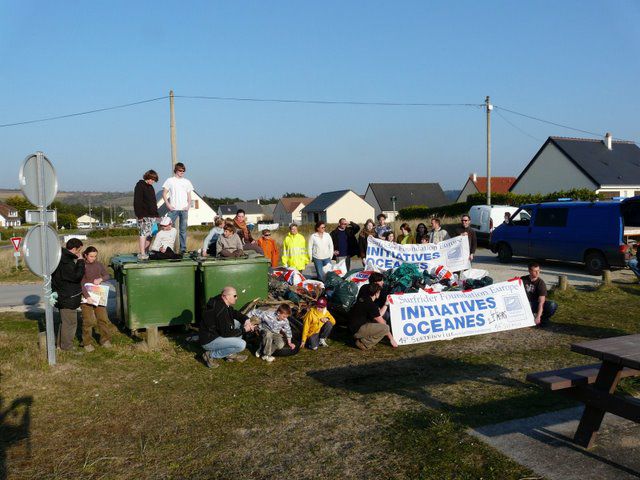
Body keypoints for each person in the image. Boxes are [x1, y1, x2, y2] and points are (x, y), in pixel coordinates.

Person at [199, 286, 255, 368]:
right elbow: (226, 334)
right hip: (209, 340)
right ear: (226, 296)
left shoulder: (221, 302)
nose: (237, 298)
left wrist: (246, 320)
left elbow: (234, 312)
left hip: (213, 333)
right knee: (241, 345)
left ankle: (229, 353)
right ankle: (210, 354)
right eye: (235, 296)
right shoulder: (220, 310)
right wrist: (244, 330)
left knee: (237, 323)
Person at [52, 238, 85, 351]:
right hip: (68, 296)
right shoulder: (66, 261)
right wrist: (81, 262)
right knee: (70, 323)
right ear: (74, 249)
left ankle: (60, 346)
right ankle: (67, 347)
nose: (79, 253)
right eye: (79, 250)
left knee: (65, 322)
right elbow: (76, 277)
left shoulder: (61, 257)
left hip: (64, 295)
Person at [80, 246, 113, 352]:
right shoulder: (81, 265)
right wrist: (87, 296)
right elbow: (80, 283)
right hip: (86, 297)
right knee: (88, 321)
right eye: (91, 256)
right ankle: (87, 343)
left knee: (103, 319)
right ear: (85, 255)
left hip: (99, 295)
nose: (93, 258)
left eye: (95, 256)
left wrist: (101, 278)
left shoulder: (98, 265)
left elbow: (108, 275)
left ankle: (105, 340)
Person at [348, 284, 398, 350]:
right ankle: (364, 343)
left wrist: (386, 304)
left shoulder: (363, 299)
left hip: (351, 327)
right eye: (379, 292)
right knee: (386, 328)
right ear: (376, 293)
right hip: (357, 330)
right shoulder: (371, 305)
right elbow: (381, 322)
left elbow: (378, 315)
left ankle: (360, 338)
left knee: (381, 323)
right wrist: (391, 339)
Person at [162, 162, 193, 254]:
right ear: (176, 170)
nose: (182, 172)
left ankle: (183, 249)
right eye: (180, 170)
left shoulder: (187, 182)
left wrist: (188, 205)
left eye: (183, 171)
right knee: (166, 227)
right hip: (173, 209)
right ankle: (165, 248)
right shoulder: (170, 180)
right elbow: (164, 193)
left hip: (184, 209)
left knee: (183, 230)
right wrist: (168, 204)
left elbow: (189, 195)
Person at [521, 262, 558, 326]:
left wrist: (538, 317)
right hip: (523, 304)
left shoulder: (541, 283)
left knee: (552, 305)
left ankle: (542, 319)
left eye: (538, 270)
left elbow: (541, 302)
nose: (537, 273)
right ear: (529, 271)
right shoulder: (523, 279)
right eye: (535, 271)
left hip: (534, 304)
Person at [133, 169, 160, 260]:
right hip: (143, 215)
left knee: (151, 234)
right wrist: (139, 215)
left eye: (154, 180)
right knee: (143, 234)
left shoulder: (151, 188)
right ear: (147, 177)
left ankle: (146, 251)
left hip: (153, 215)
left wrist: (157, 215)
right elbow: (137, 201)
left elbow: (153, 202)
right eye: (151, 179)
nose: (152, 181)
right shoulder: (140, 185)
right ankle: (142, 253)